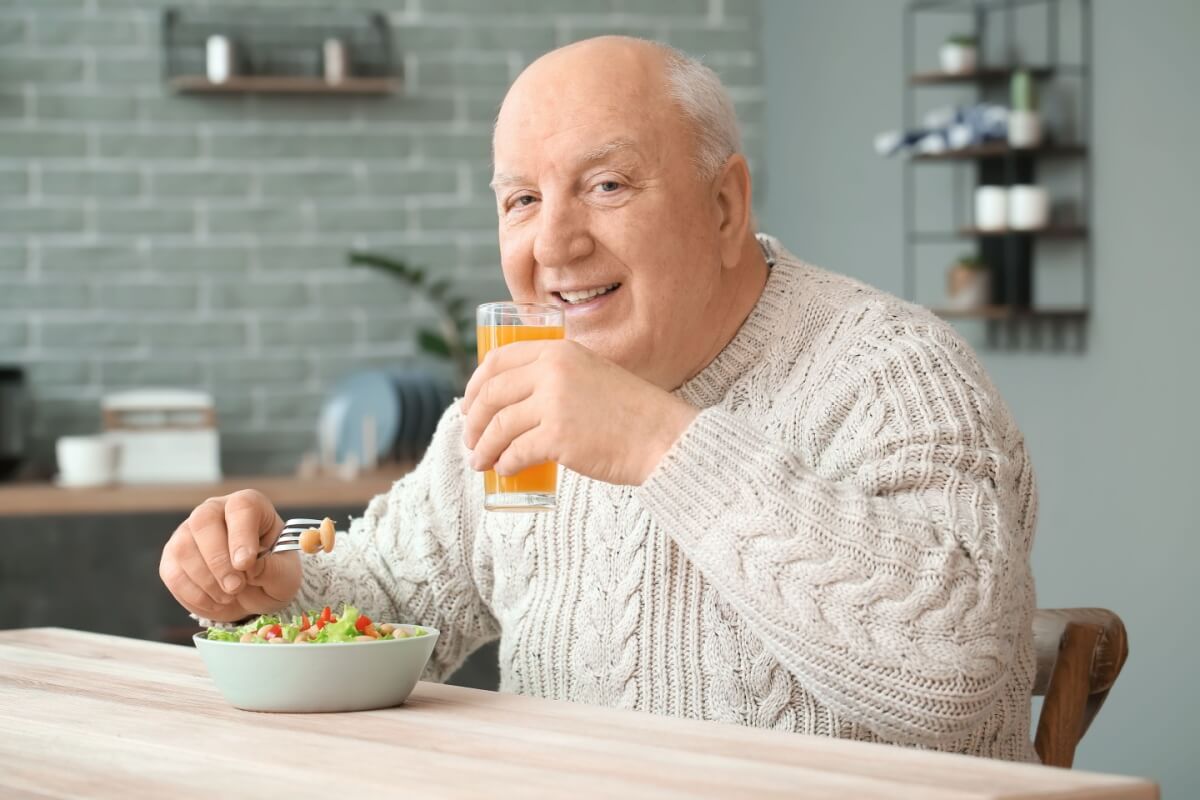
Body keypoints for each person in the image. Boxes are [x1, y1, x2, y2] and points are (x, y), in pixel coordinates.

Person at [160, 36, 1038, 761]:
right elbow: (393, 593)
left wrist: (662, 445)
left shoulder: (893, 372)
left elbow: (960, 674)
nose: (554, 243)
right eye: (523, 200)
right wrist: (273, 584)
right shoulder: (511, 388)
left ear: (726, 205)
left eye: (607, 186)